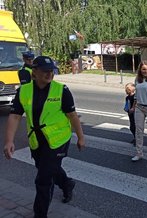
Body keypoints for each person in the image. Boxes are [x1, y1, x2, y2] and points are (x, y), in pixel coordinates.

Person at [3, 56, 85, 218]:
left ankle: (40, 214)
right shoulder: (24, 90)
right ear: (35, 72)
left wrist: (80, 137)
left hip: (58, 140)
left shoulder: (62, 90)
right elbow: (15, 116)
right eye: (45, 71)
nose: (49, 74)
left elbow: (72, 116)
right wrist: (9, 141)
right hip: (37, 140)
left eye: (52, 71)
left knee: (43, 180)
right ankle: (67, 184)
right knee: (47, 169)